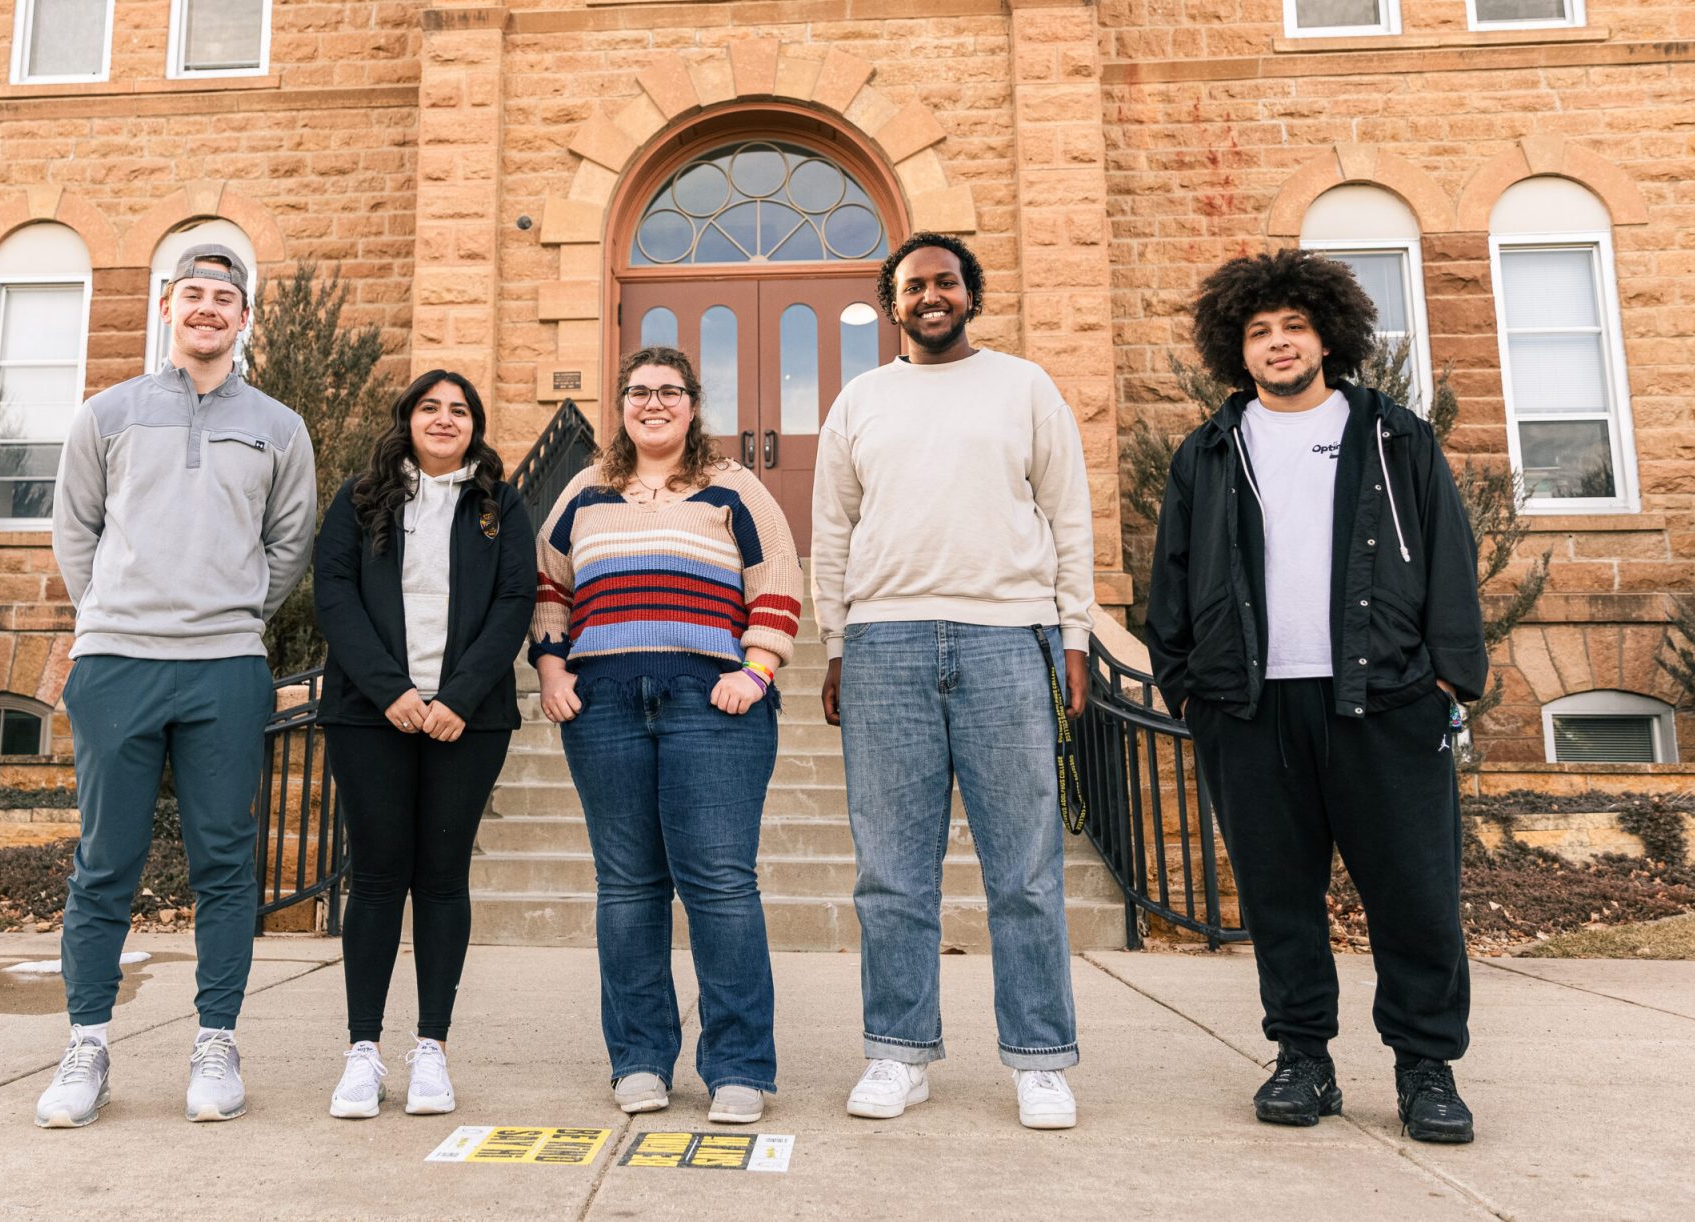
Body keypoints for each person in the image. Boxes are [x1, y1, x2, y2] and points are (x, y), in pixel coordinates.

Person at [1144, 248, 1488, 1144]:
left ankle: (1426, 1069)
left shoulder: (1394, 435)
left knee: (1413, 891)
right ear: (1237, 349)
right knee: (1277, 895)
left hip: (1384, 701)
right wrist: (1186, 686)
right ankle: (1304, 1058)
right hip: (1250, 708)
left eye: (1293, 326)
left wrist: (1449, 679)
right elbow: (1170, 580)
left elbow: (1450, 558)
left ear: (1328, 334)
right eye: (1259, 331)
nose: (1278, 343)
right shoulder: (1210, 450)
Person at [813, 231, 1095, 1132]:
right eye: (912, 287)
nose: (930, 296)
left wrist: (1076, 636)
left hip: (1009, 640)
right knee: (891, 873)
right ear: (893, 306)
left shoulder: (1025, 387)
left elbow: (1069, 515)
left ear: (969, 294)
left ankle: (1040, 1059)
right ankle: (898, 1054)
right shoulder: (860, 401)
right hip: (886, 644)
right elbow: (831, 532)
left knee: (1025, 869)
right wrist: (834, 643)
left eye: (945, 282)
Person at [41, 243, 317, 1127]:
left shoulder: (279, 427)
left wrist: (230, 617)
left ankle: (216, 1042)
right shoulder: (108, 414)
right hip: (117, 664)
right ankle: (86, 1045)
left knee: (226, 865)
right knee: (105, 864)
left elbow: (288, 548)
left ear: (244, 319)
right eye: (192, 293)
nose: (207, 308)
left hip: (225, 671)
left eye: (224, 298)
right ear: (167, 306)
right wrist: (113, 617)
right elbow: (75, 532)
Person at [531, 345, 801, 1126]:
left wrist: (755, 671)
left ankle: (740, 1067)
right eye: (639, 392)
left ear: (693, 404)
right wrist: (552, 672)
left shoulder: (733, 487)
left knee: (720, 886)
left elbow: (776, 579)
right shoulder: (584, 492)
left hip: (710, 704)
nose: (654, 403)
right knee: (627, 888)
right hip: (604, 704)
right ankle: (641, 1061)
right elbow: (551, 587)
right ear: (620, 406)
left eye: (669, 391)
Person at [310, 369, 534, 1119]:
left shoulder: (500, 506)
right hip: (371, 714)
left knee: (442, 878)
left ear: (475, 425)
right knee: (375, 877)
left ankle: (431, 1050)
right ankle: (362, 1054)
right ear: (406, 419)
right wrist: (394, 692)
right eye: (430, 408)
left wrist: (458, 697)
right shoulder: (360, 498)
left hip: (466, 721)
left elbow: (514, 604)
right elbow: (333, 595)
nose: (445, 419)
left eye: (460, 410)